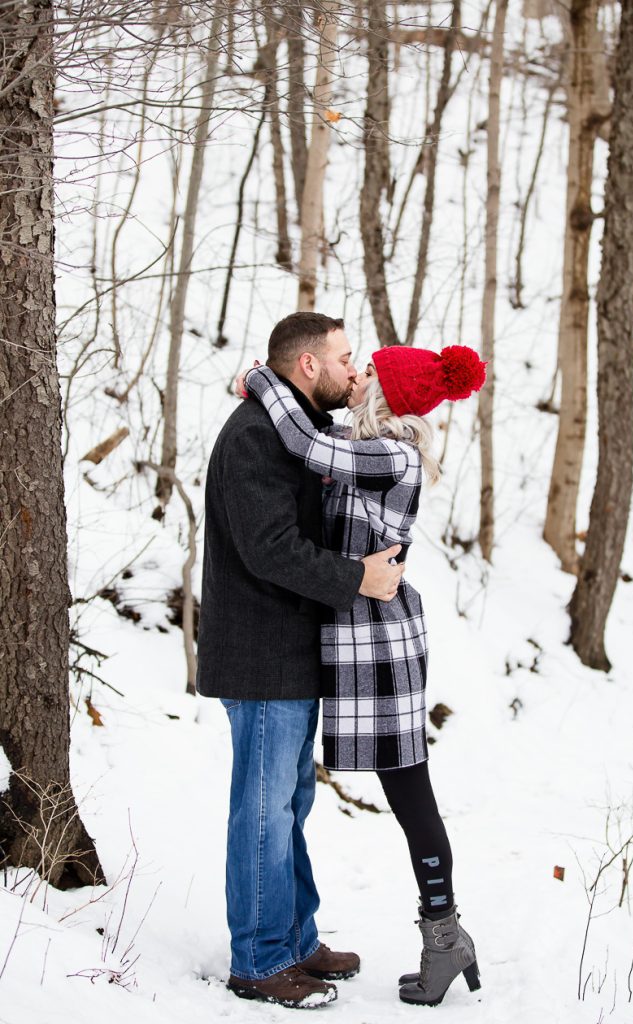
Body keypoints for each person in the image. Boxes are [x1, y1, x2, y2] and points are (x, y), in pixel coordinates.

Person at [241, 341, 486, 1007]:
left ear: (387, 394)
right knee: (405, 790)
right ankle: (445, 937)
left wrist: (264, 379)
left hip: (380, 643)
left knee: (409, 793)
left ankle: (444, 937)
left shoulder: (392, 452)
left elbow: (306, 442)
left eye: (368, 372)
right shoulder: (364, 440)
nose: (357, 375)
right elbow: (315, 440)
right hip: (363, 633)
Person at [196, 312, 406, 1010]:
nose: (356, 369)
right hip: (259, 654)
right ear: (307, 366)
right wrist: (358, 579)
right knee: (262, 810)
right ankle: (257, 960)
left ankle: (294, 937)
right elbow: (270, 550)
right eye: (345, 358)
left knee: (289, 805)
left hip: (290, 650)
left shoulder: (299, 433)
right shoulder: (256, 437)